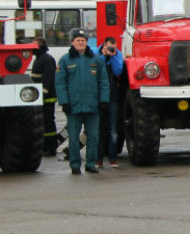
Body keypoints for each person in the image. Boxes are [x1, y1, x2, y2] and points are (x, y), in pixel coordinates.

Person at [55, 29, 110, 175]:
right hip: (73, 107)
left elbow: (103, 82)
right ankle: (75, 165)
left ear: (87, 43)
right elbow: (60, 83)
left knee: (93, 137)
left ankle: (91, 164)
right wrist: (64, 102)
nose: (81, 43)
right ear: (72, 42)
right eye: (78, 40)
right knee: (73, 138)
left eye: (83, 40)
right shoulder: (65, 60)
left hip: (93, 106)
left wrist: (103, 100)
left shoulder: (96, 60)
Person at [97, 37, 125, 167]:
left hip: (112, 97)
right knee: (98, 130)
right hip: (98, 97)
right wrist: (103, 56)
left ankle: (112, 158)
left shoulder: (117, 54)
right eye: (109, 47)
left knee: (113, 130)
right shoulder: (96, 53)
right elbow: (96, 70)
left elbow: (118, 71)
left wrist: (113, 56)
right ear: (104, 45)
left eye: (113, 47)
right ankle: (98, 159)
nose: (111, 49)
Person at [30, 36, 59, 156]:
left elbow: (47, 79)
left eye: (34, 44)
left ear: (40, 45)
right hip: (41, 96)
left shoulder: (47, 59)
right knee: (43, 122)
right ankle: (45, 145)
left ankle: (51, 146)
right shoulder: (39, 58)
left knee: (48, 121)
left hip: (47, 97)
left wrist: (43, 93)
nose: (32, 47)